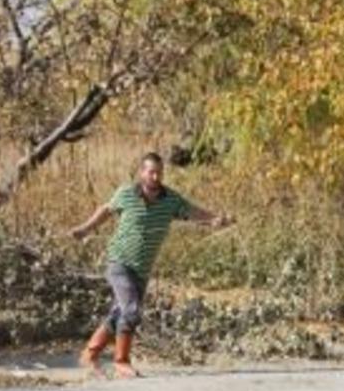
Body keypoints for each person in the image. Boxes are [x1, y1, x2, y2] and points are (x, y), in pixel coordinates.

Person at [69, 152, 233, 378]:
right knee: (131, 310)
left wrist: (215, 220)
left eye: (159, 173)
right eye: (151, 172)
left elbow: (194, 212)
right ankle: (121, 362)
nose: (155, 177)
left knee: (120, 313)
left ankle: (89, 354)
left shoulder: (171, 200)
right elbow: (106, 210)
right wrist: (85, 229)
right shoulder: (126, 194)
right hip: (119, 263)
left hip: (142, 269)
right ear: (142, 173)